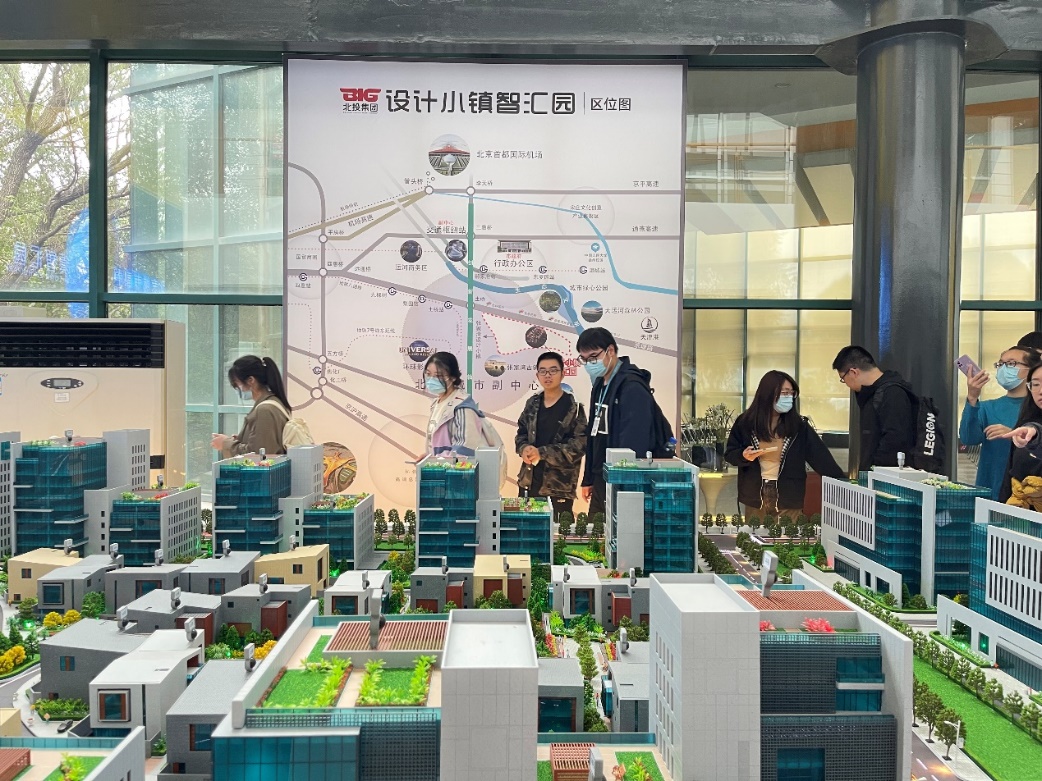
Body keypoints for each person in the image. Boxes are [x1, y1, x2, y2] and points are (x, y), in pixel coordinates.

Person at [725, 371, 845, 521]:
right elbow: (730, 454)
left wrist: (843, 483)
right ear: (768, 393)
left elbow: (821, 458)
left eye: (791, 393)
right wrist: (743, 456)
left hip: (789, 494)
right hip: (755, 494)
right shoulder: (745, 423)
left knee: (788, 533)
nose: (788, 397)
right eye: (784, 393)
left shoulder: (799, 426)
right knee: (756, 533)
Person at [577, 327, 664, 516]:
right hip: (602, 476)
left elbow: (635, 444)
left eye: (593, 357)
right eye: (584, 359)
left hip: (623, 481)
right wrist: (589, 478)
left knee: (621, 532)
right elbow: (593, 435)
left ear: (610, 351)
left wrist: (622, 483)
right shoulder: (600, 384)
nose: (589, 364)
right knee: (597, 532)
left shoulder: (632, 387)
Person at [515, 352, 588, 518]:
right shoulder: (532, 403)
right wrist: (524, 448)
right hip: (528, 482)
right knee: (525, 530)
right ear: (537, 376)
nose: (547, 375)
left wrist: (542, 453)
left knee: (558, 532)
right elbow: (521, 433)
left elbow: (579, 446)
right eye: (543, 371)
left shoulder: (574, 408)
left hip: (558, 487)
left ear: (563, 374)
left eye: (553, 370)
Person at [959, 345, 1038, 499]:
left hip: (1027, 495)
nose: (1003, 368)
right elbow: (968, 438)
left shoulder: (1036, 408)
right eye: (1000, 364)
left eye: (1011, 363)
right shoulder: (987, 407)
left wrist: (1014, 435)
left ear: (1031, 370)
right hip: (990, 492)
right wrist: (972, 398)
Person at [833, 345, 915, 470]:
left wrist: (873, 470)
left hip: (886, 476)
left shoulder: (893, 394)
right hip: (874, 474)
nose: (846, 384)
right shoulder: (871, 394)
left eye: (843, 379)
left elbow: (895, 440)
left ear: (853, 372)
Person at [211, 355, 292, 457]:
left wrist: (226, 444)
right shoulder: (275, 403)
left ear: (251, 380)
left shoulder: (264, 410)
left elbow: (258, 455)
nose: (238, 389)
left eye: (237, 384)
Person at [423, 351, 488, 459]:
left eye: (438, 376)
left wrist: (436, 461)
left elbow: (464, 452)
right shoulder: (436, 403)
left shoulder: (462, 408)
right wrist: (429, 458)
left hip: (452, 469)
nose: (431, 379)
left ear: (453, 377)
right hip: (439, 467)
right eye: (428, 374)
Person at [999, 359, 1042, 502]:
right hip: (1020, 510)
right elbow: (1010, 474)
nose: (1040, 391)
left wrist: (1036, 436)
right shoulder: (1026, 425)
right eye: (1035, 384)